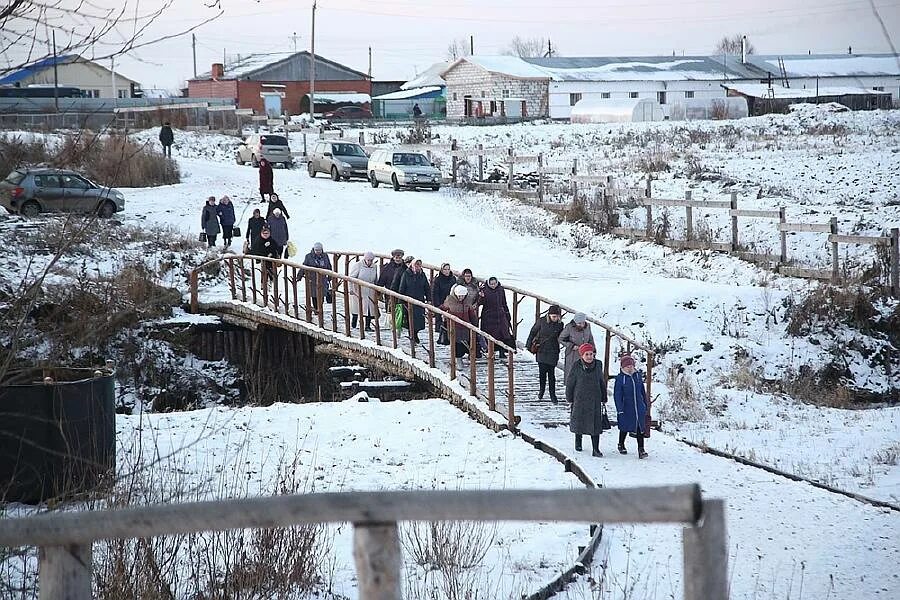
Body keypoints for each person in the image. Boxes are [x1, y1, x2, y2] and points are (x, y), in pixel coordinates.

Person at [567, 343, 608, 457]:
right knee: (579, 421)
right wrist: (569, 397)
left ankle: (596, 449)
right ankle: (578, 441)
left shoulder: (598, 365)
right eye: (587, 354)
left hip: (595, 399)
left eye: (591, 354)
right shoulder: (576, 366)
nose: (589, 356)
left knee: (595, 425)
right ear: (582, 355)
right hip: (580, 398)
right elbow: (570, 383)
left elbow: (601, 381)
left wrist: (604, 396)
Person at [525, 304, 564, 402]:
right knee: (542, 373)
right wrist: (529, 345)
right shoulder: (541, 321)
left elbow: (562, 336)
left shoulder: (560, 325)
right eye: (553, 316)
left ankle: (552, 394)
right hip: (542, 349)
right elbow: (533, 332)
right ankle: (541, 391)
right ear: (549, 315)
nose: (555, 318)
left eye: (557, 316)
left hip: (553, 350)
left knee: (551, 374)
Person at [613, 354, 648, 459]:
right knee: (624, 427)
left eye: (631, 366)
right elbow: (617, 395)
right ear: (622, 367)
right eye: (627, 366)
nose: (629, 368)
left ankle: (641, 449)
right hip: (626, 407)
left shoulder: (637, 376)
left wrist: (645, 404)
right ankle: (621, 444)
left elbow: (642, 391)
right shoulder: (620, 379)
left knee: (640, 428)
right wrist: (620, 408)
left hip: (638, 406)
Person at [441, 284, 477, 369]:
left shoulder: (468, 301)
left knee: (466, 343)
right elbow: (443, 308)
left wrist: (475, 323)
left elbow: (471, 313)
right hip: (454, 327)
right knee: (456, 344)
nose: (461, 297)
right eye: (459, 296)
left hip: (465, 326)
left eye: (463, 296)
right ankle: (458, 360)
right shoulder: (450, 300)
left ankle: (469, 358)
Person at [478, 276, 514, 359]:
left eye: (494, 283)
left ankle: (502, 352)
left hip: (500, 315)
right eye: (491, 284)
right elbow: (480, 303)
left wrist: (507, 313)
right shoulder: (484, 290)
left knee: (503, 334)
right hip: (488, 315)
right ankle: (491, 352)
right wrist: (481, 297)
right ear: (489, 283)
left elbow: (504, 302)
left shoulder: (500, 289)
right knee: (490, 334)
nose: (493, 285)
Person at [399, 258, 430, 343]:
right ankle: (412, 335)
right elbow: (402, 287)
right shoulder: (406, 274)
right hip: (408, 301)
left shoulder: (422, 275)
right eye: (416, 265)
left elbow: (426, 287)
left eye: (419, 265)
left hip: (419, 301)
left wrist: (429, 299)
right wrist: (400, 301)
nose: (418, 267)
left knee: (419, 320)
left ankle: (415, 334)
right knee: (410, 319)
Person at [559, 312, 594, 384]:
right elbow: (561, 339)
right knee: (572, 374)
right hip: (572, 354)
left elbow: (590, 339)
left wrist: (593, 350)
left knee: (584, 374)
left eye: (583, 323)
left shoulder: (588, 327)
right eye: (579, 323)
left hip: (585, 354)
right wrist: (571, 346)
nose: (581, 325)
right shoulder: (569, 327)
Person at [350, 251, 379, 330]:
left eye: (371, 260)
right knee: (357, 308)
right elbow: (351, 278)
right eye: (368, 260)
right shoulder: (358, 265)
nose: (370, 262)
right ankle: (354, 323)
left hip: (370, 290)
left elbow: (375, 278)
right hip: (359, 289)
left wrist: (377, 289)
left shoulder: (374, 266)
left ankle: (367, 326)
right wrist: (351, 289)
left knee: (369, 309)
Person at [302, 242, 333, 311]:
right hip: (313, 279)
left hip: (323, 279)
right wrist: (299, 276)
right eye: (316, 250)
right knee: (314, 295)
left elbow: (329, 266)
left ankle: (319, 309)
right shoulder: (308, 256)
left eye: (319, 250)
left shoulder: (325, 256)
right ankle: (316, 310)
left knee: (321, 296)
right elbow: (303, 267)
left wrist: (330, 276)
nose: (318, 252)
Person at [431, 263, 456, 344]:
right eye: (445, 269)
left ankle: (449, 338)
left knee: (450, 321)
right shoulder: (437, 280)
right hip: (441, 302)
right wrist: (437, 305)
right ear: (442, 270)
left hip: (451, 303)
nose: (447, 271)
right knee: (441, 322)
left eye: (448, 269)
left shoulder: (453, 279)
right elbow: (435, 293)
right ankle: (442, 338)